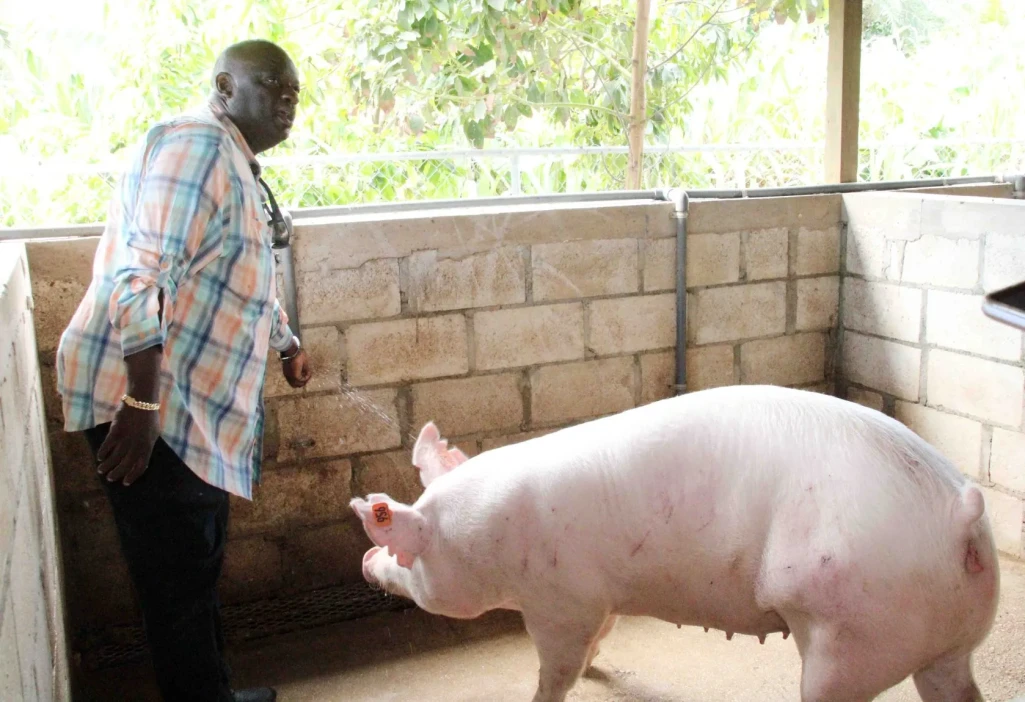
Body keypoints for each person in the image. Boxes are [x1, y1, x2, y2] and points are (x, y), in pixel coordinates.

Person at [55, 39, 312, 702]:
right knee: (175, 580)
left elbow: (240, 275)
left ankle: (212, 693)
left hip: (184, 404)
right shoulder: (197, 147)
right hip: (150, 402)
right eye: (272, 86)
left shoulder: (233, 160)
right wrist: (141, 408)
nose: (287, 101)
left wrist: (286, 345)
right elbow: (142, 278)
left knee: (195, 565)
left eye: (294, 93)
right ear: (225, 86)